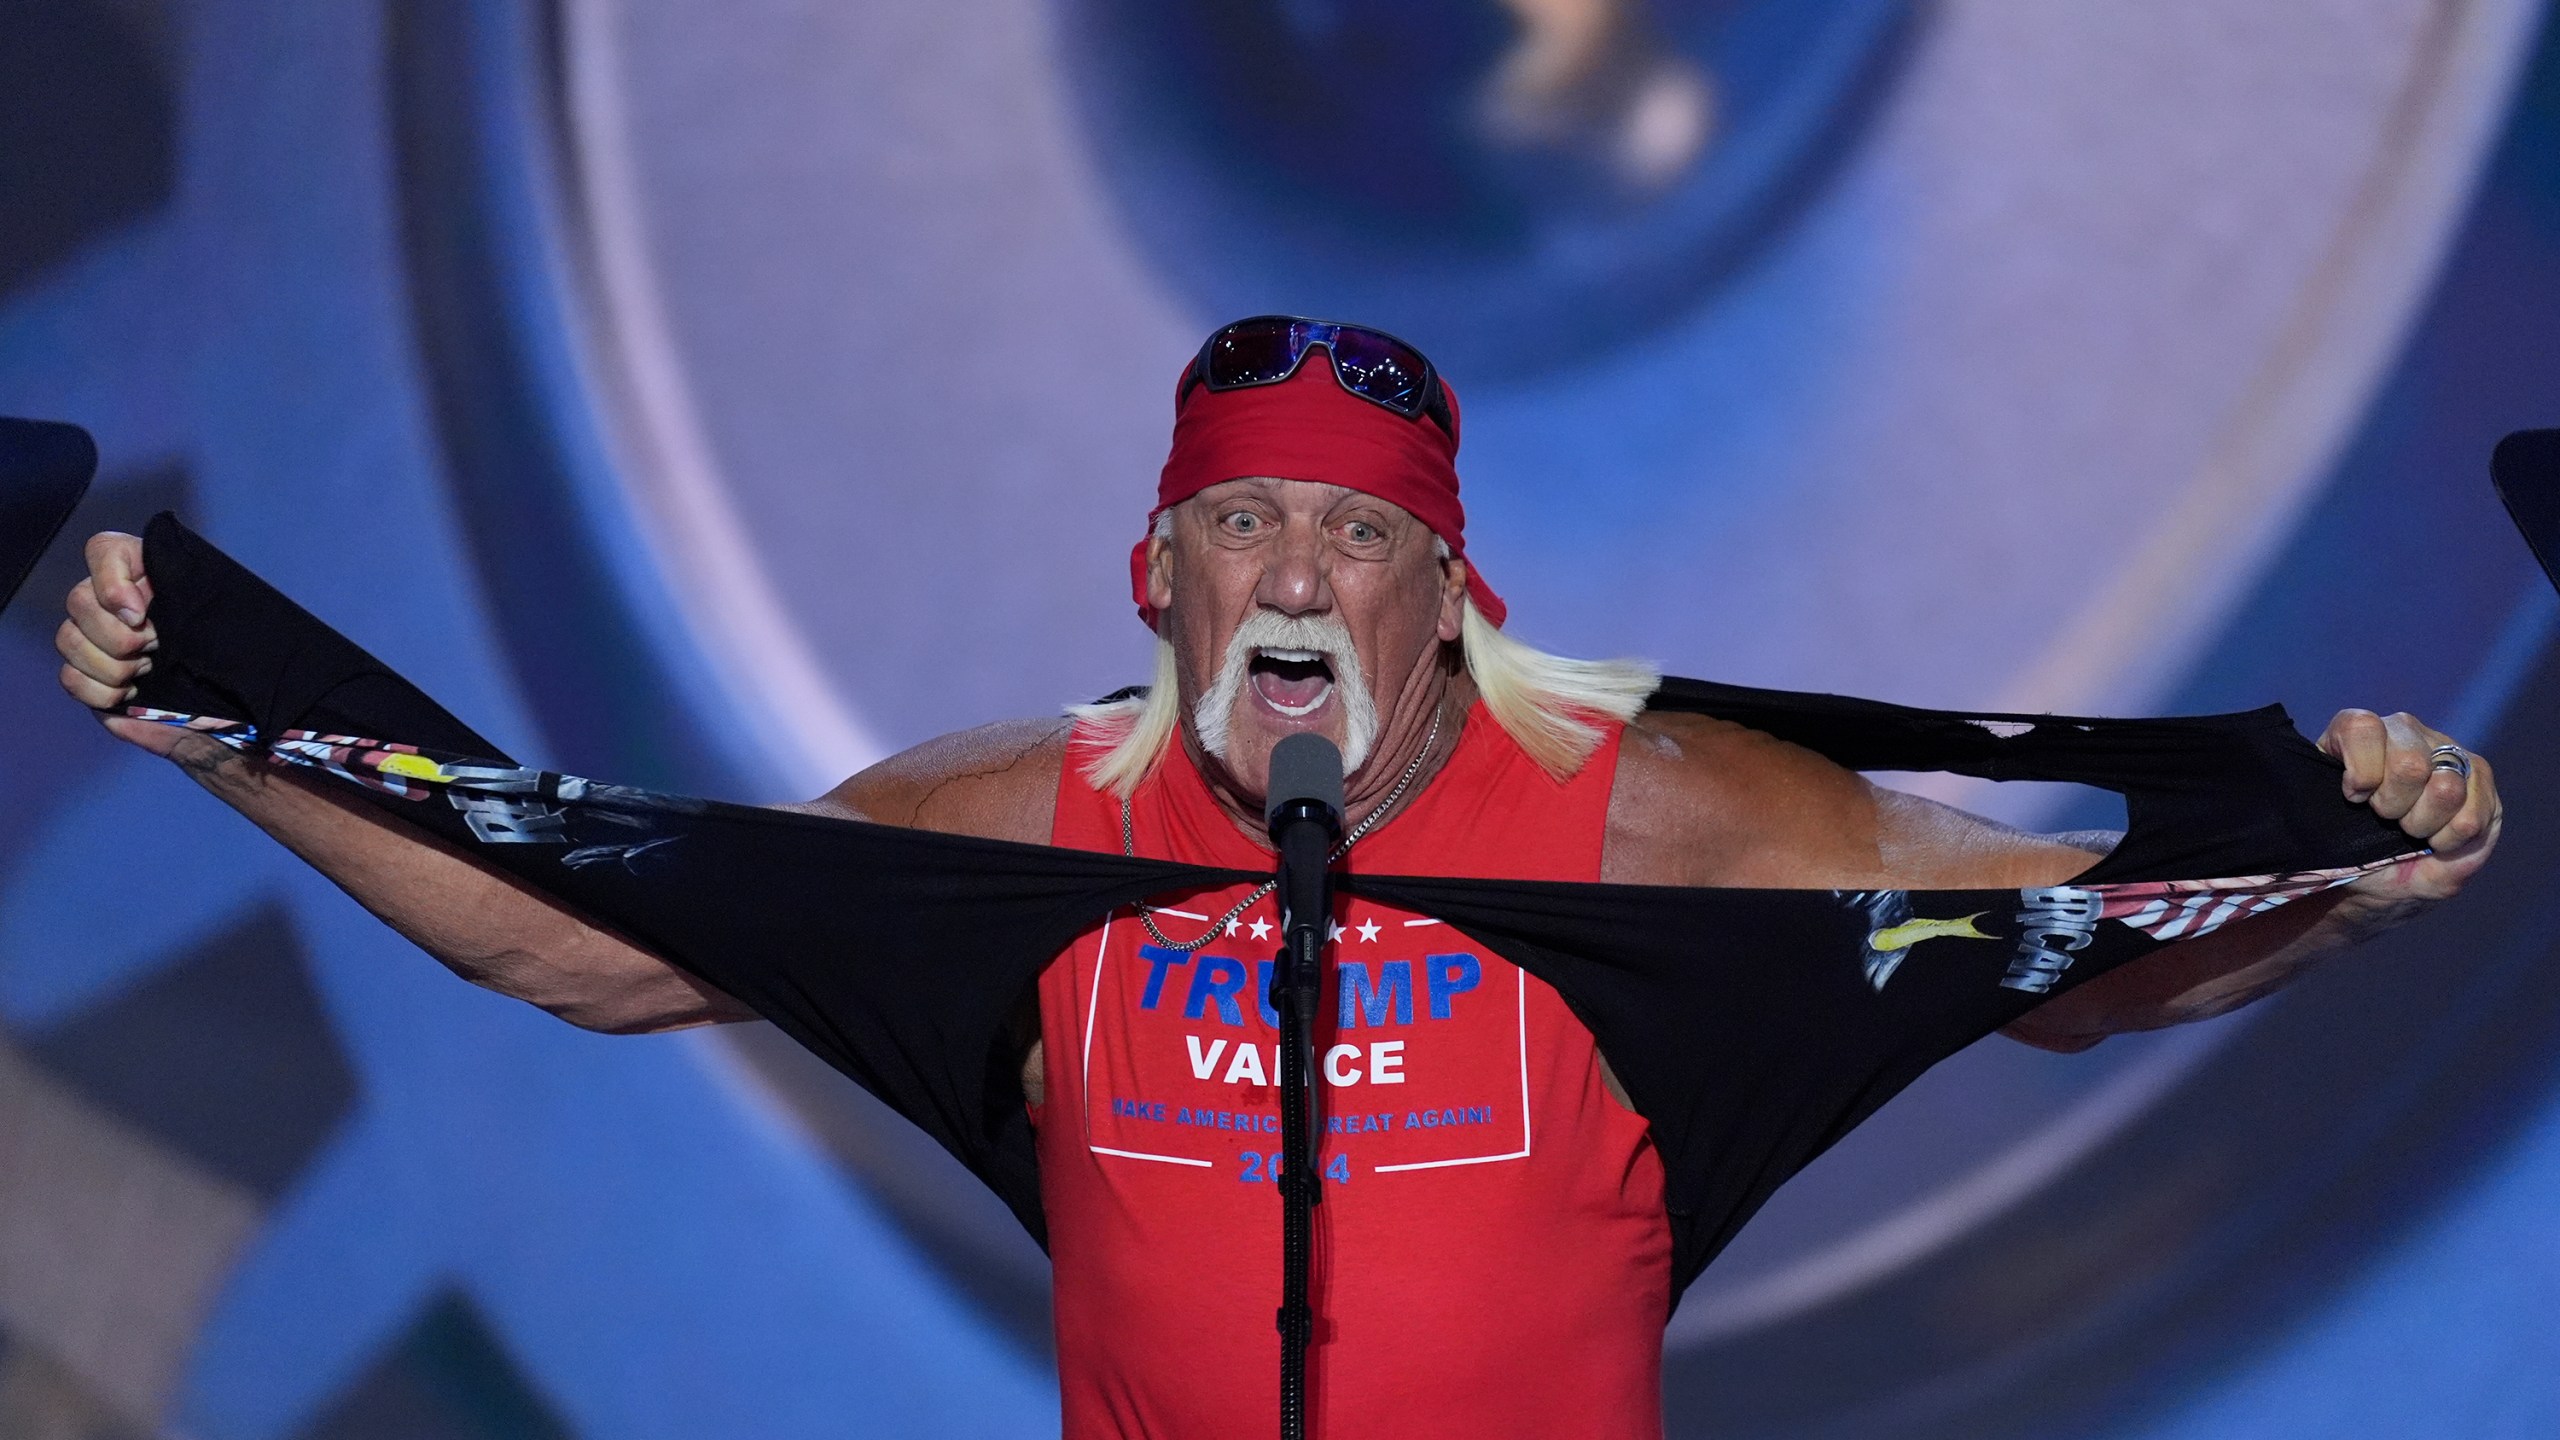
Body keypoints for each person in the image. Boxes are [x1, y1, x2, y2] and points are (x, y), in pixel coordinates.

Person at [55, 316, 2501, 1437]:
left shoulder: (1677, 826)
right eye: (1245, 523)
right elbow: (563, 933)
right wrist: (204, 719)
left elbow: (2063, 961)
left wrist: (2329, 894)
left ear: (1460, 593)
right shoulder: (1009, 829)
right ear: (1156, 577)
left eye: (1361, 530)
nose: (1299, 571)